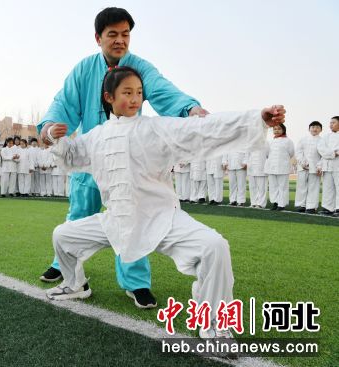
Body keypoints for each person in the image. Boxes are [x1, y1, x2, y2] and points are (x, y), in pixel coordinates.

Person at [44, 67, 286, 336]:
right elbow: (71, 155)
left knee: (214, 247)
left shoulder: (155, 128)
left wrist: (256, 120)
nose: (135, 98)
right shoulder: (97, 136)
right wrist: (56, 137)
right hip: (117, 221)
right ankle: (75, 284)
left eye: (138, 92)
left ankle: (215, 327)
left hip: (160, 218)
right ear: (109, 97)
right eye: (127, 92)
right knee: (62, 235)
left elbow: (202, 129)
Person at [36, 7, 209, 307]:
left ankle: (135, 282)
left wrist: (189, 109)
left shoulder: (139, 67)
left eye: (125, 34)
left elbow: (162, 89)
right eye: (112, 34)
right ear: (98, 38)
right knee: (78, 215)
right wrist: (51, 127)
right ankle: (66, 268)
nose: (120, 40)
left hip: (127, 160)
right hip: (90, 153)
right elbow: (63, 101)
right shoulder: (83, 70)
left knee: (130, 218)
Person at [294, 121, 323, 213]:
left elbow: (324, 156)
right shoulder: (303, 139)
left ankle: (311, 206)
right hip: (302, 167)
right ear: (309, 129)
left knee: (313, 187)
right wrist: (302, 162)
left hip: (315, 168)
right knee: (301, 186)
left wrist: (319, 166)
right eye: (313, 127)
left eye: (317, 127)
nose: (315, 129)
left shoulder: (322, 141)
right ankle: (302, 205)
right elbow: (298, 152)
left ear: (321, 130)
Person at [265, 124, 294, 211]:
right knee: (273, 186)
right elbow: (267, 154)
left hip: (283, 167)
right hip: (271, 167)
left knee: (282, 186)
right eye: (275, 129)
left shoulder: (288, 141)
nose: (276, 130)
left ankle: (281, 204)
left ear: (283, 130)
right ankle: (275, 203)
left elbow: (291, 153)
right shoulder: (270, 141)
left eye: (279, 129)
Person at [317, 116, 339, 216]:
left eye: (333, 122)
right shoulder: (326, 137)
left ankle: (338, 209)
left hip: (337, 166)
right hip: (327, 166)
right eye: (330, 123)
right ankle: (328, 208)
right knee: (327, 188)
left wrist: (330, 153)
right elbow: (321, 150)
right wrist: (333, 153)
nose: (331, 125)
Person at [247, 142, 270, 208]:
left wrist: (267, 166)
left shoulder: (266, 143)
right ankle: (253, 202)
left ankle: (261, 204)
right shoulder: (250, 143)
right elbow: (247, 155)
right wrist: (248, 164)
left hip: (261, 168)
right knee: (252, 187)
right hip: (251, 168)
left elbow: (269, 155)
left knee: (262, 187)